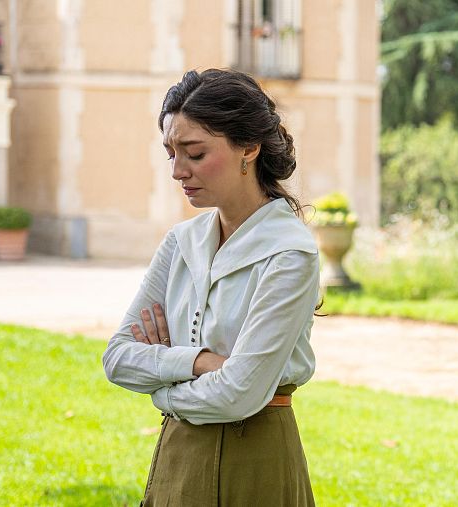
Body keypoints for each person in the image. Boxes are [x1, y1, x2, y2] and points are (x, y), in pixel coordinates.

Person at [102, 69, 319, 506]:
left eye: (195, 153)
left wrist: (161, 385)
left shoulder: (290, 253)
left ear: (250, 148)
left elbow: (239, 393)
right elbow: (118, 358)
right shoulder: (181, 243)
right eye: (171, 154)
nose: (179, 171)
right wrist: (200, 360)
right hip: (177, 455)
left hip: (256, 459)